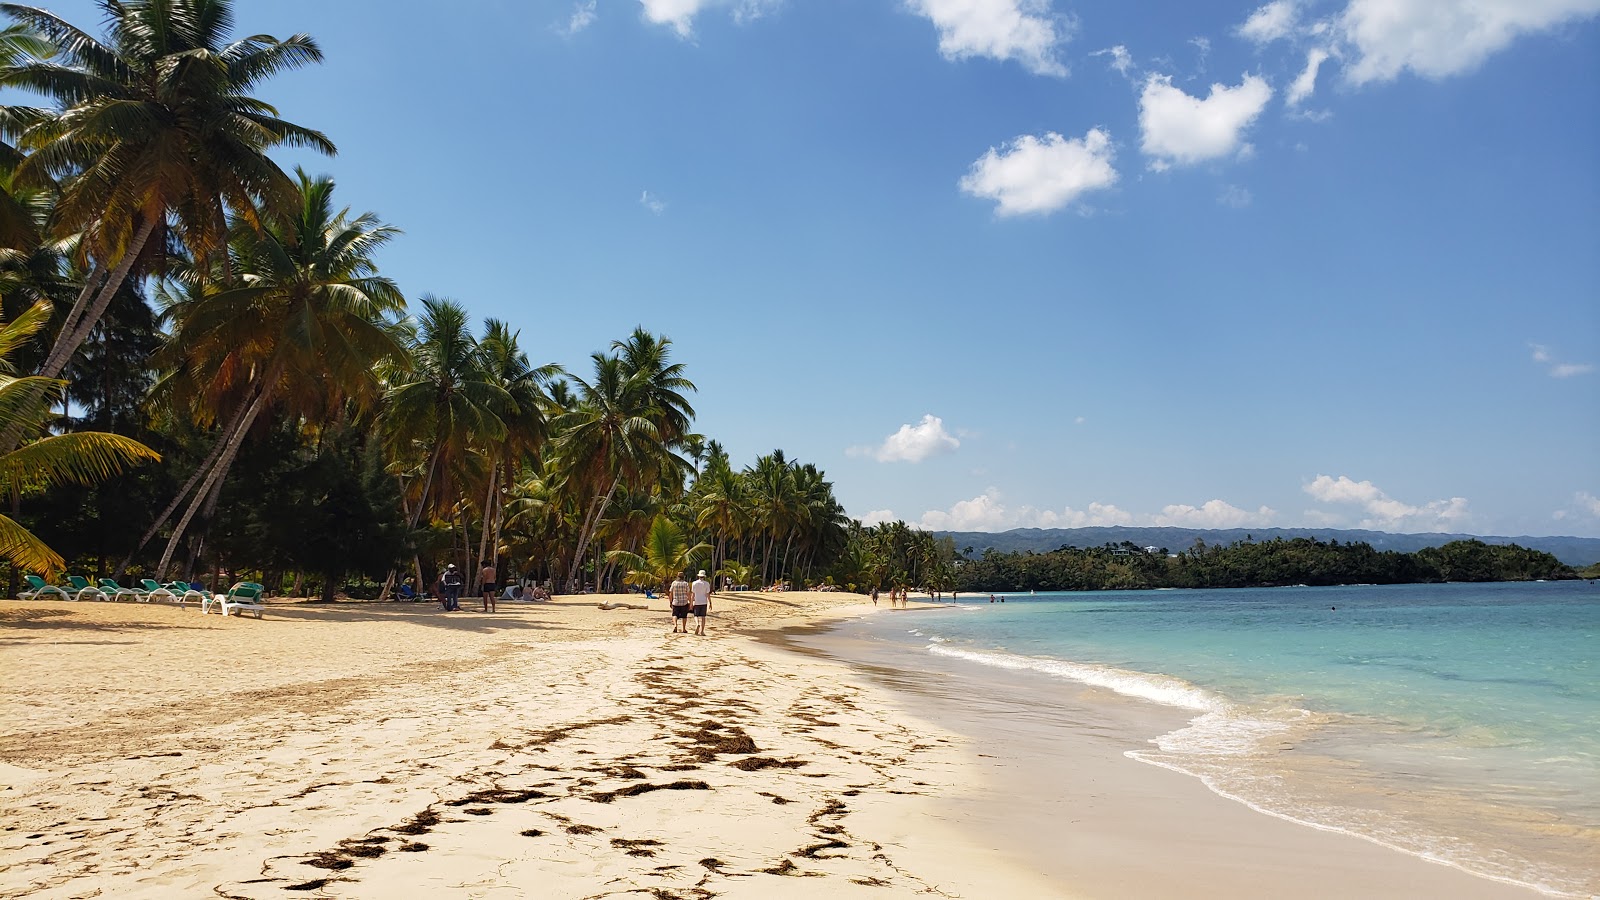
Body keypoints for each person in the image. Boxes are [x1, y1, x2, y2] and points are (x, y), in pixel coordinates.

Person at [691, 569, 712, 636]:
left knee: (696, 615)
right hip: (704, 601)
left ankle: (697, 624)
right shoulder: (706, 584)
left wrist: (691, 603)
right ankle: (702, 631)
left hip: (697, 601)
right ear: (704, 576)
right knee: (703, 617)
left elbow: (693, 594)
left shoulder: (694, 583)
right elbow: (707, 594)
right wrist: (710, 602)